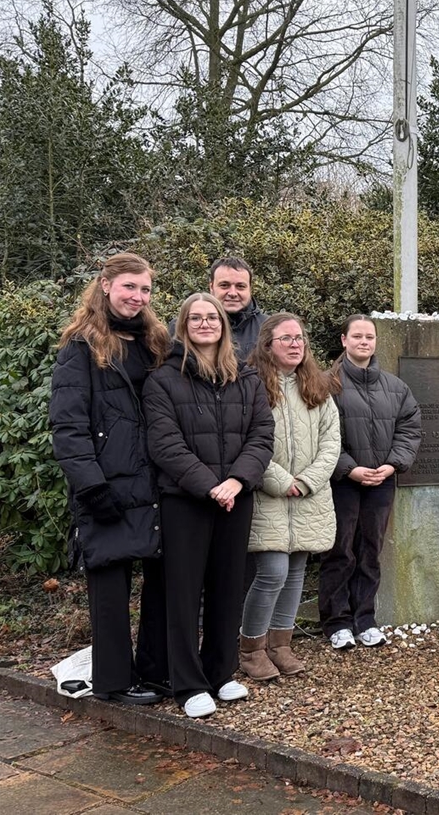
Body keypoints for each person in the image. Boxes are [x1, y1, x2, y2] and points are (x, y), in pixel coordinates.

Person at [143, 293, 274, 718]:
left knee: (228, 585)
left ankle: (221, 671)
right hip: (186, 500)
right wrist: (209, 485)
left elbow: (261, 435)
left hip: (236, 497)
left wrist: (236, 481)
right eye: (195, 318)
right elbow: (165, 443)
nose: (204, 324)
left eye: (211, 317)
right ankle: (189, 683)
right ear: (183, 325)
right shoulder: (164, 379)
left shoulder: (246, 378)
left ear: (223, 324)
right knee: (182, 592)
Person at [49, 253, 170, 705]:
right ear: (105, 285)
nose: (137, 297)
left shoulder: (156, 341)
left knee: (161, 583)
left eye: (145, 290)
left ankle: (157, 671)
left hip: (155, 483)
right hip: (108, 483)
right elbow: (68, 425)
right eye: (129, 288)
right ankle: (114, 682)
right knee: (110, 586)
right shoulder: (80, 345)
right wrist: (92, 486)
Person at [239, 313, 340, 682]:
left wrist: (309, 480)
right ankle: (251, 649)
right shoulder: (251, 384)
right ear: (267, 344)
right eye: (286, 338)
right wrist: (283, 481)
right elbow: (247, 440)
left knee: (296, 571)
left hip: (309, 496)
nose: (296, 344)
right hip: (269, 495)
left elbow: (332, 441)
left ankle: (281, 646)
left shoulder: (317, 386)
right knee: (272, 572)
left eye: (300, 338)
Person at [321, 315, 422, 650]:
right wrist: (349, 468)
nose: (364, 342)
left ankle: (365, 619)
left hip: (381, 481)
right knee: (341, 550)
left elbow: (410, 427)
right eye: (358, 336)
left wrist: (393, 465)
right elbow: (319, 437)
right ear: (344, 340)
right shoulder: (326, 384)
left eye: (369, 337)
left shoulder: (396, 387)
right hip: (342, 482)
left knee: (370, 551)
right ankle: (337, 622)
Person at [169, 256, 266, 360]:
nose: (233, 293)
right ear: (211, 287)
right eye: (224, 285)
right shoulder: (180, 326)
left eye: (240, 286)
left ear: (250, 289)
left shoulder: (268, 328)